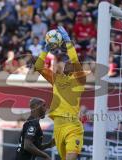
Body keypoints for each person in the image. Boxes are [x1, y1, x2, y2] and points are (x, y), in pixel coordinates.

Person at [35, 26, 87, 160]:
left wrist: (68, 42)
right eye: (66, 61)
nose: (68, 62)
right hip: (57, 126)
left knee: (71, 157)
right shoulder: (56, 78)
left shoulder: (80, 79)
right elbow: (39, 66)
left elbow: (75, 60)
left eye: (70, 62)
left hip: (72, 125)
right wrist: (45, 50)